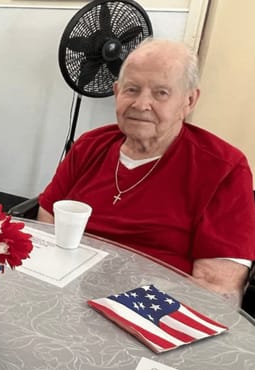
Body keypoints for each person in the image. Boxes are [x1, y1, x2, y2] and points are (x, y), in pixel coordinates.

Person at [37, 38, 255, 306]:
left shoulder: (224, 168)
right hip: (67, 294)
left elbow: (217, 290)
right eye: (132, 89)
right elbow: (46, 221)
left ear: (189, 100)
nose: (141, 104)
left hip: (152, 311)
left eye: (161, 93)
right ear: (116, 92)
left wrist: (113, 302)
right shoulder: (89, 146)